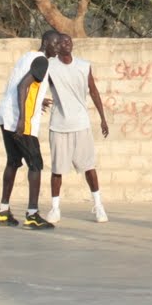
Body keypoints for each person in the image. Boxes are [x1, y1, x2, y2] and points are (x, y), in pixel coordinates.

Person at [0, 30, 60, 229]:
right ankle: (32, 215)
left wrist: (39, 101)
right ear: (46, 42)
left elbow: (23, 86)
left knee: (13, 161)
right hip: (20, 120)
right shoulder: (42, 61)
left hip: (6, 115)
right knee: (35, 164)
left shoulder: (27, 56)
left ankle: (3, 211)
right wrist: (22, 118)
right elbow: (23, 87)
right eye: (55, 44)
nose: (57, 48)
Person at [44, 32, 110, 223]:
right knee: (57, 170)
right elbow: (37, 85)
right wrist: (39, 100)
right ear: (57, 46)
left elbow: (94, 90)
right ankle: (55, 208)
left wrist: (102, 118)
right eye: (63, 41)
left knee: (89, 167)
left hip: (81, 124)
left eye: (69, 41)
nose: (67, 43)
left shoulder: (83, 65)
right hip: (59, 125)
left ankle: (98, 206)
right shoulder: (50, 66)